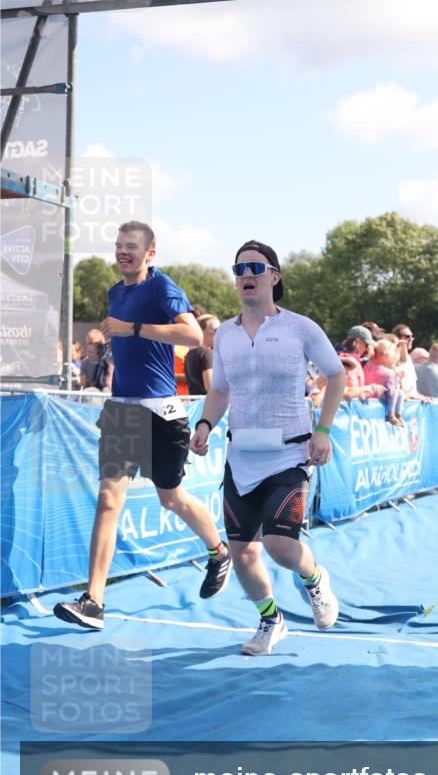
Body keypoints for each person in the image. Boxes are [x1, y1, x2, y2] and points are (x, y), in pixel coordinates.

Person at [53, 221, 231, 630]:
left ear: (150, 253)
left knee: (172, 498)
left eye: (131, 246)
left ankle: (217, 550)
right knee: (108, 500)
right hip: (121, 412)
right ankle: (94, 601)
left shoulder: (162, 287)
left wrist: (133, 328)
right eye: (118, 246)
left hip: (161, 413)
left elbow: (191, 335)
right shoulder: (116, 292)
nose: (122, 252)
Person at [191, 240, 346, 656]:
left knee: (279, 545)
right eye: (239, 268)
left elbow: (337, 375)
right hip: (241, 456)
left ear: (274, 277)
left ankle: (315, 582)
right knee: (242, 554)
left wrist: (324, 430)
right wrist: (205, 422)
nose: (246, 275)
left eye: (255, 268)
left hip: (289, 453)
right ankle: (270, 619)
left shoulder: (301, 328)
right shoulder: (225, 333)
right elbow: (220, 390)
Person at [184, 315, 220, 395]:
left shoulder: (190, 354)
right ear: (201, 331)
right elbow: (211, 387)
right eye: (216, 330)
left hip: (196, 404)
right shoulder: (207, 353)